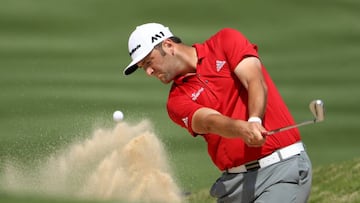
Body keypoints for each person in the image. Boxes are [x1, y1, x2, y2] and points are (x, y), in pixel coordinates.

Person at [122, 23, 312, 203]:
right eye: (142, 67)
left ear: (168, 45)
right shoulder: (176, 101)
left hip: (281, 169)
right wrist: (241, 129)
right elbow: (209, 122)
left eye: (149, 61)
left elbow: (255, 80)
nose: (148, 71)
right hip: (234, 185)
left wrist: (254, 120)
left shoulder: (225, 41)